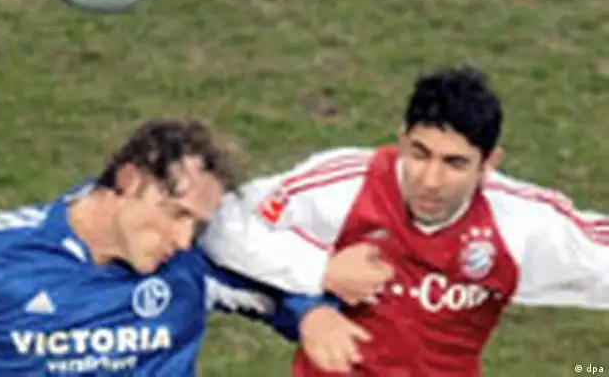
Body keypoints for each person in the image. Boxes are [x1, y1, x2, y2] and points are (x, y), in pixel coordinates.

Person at [0, 118, 383, 377]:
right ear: (130, 181)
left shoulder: (194, 266)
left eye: (198, 224)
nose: (184, 239)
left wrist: (312, 313)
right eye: (176, 214)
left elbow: (277, 294)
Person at [199, 66, 609, 376]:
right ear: (401, 139)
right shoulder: (341, 187)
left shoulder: (522, 224)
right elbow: (220, 224)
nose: (430, 180)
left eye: (454, 163)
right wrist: (321, 271)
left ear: (489, 164)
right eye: (419, 154)